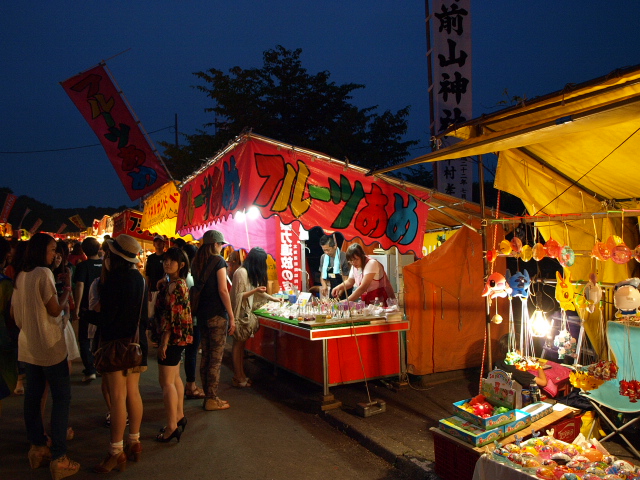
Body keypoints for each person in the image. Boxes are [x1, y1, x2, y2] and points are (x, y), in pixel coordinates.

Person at [10, 233, 80, 479]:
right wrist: (67, 290)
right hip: (50, 347)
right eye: (52, 249)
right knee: (62, 399)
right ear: (41, 251)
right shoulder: (43, 273)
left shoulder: (22, 275)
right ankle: (59, 457)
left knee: (33, 397)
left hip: (28, 346)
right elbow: (54, 309)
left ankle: (37, 447)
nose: (54, 254)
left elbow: (14, 313)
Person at [92, 235, 147, 473]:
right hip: (136, 344)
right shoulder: (140, 279)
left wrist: (85, 315)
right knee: (133, 393)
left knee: (117, 398)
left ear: (114, 256)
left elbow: (108, 319)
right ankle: (134, 442)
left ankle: (116, 452)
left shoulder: (114, 280)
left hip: (116, 344)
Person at [191, 230, 235, 411]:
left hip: (201, 314)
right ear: (215, 245)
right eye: (220, 244)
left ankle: (209, 395)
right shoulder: (218, 261)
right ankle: (211, 398)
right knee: (215, 358)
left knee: (206, 355)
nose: (221, 247)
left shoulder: (196, 262)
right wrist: (231, 316)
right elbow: (223, 290)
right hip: (217, 315)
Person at [155, 247, 193, 442]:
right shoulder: (176, 283)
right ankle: (178, 417)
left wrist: (163, 342)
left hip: (172, 338)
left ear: (182, 265)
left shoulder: (176, 286)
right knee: (175, 377)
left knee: (166, 381)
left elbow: (171, 318)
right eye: (165, 260)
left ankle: (171, 426)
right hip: (180, 337)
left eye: (172, 261)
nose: (167, 263)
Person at [230, 247, 281, 387]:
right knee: (238, 345)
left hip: (244, 314)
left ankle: (241, 375)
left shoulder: (249, 272)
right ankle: (238, 376)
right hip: (239, 315)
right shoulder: (241, 272)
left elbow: (257, 292)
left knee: (241, 346)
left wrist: (273, 299)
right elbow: (238, 296)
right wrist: (255, 290)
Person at [71, 237, 102, 382]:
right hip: (103, 308)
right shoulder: (105, 265)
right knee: (100, 337)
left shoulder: (83, 266)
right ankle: (100, 365)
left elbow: (80, 286)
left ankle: (90, 370)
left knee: (84, 338)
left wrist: (76, 308)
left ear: (84, 250)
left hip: (86, 307)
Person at [331, 243, 396, 305]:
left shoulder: (371, 263)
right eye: (351, 261)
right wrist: (338, 287)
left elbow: (363, 287)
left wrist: (346, 301)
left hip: (381, 301)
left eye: (356, 259)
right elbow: (350, 282)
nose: (353, 263)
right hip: (368, 301)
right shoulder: (354, 265)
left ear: (362, 256)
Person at [181, 243, 205, 400]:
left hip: (188, 321)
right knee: (192, 353)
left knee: (190, 353)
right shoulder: (189, 278)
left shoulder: (183, 277)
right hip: (193, 321)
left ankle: (190, 384)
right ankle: (191, 386)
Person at [145, 235, 166, 345]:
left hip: (163, 290)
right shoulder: (151, 258)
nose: (158, 244)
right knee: (152, 315)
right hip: (153, 290)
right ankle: (154, 337)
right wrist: (148, 290)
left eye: (160, 242)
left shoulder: (167, 257)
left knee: (162, 314)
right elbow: (147, 274)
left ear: (164, 244)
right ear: (154, 244)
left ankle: (161, 338)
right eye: (156, 242)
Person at [318, 235, 350, 299]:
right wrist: (324, 285)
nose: (326, 252)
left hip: (344, 290)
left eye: (328, 250)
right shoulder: (323, 257)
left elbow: (346, 278)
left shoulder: (344, 257)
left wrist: (339, 293)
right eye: (324, 250)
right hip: (333, 289)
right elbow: (322, 275)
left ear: (334, 246)